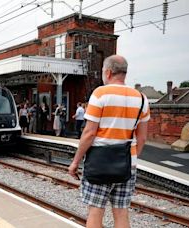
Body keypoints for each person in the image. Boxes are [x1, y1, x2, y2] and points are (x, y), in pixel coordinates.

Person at [68, 55, 150, 228]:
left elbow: (89, 133)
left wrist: (75, 162)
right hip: (127, 164)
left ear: (108, 72)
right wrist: (130, 159)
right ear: (124, 73)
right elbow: (142, 138)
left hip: (99, 162)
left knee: (96, 210)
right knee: (121, 212)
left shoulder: (100, 94)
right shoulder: (141, 98)